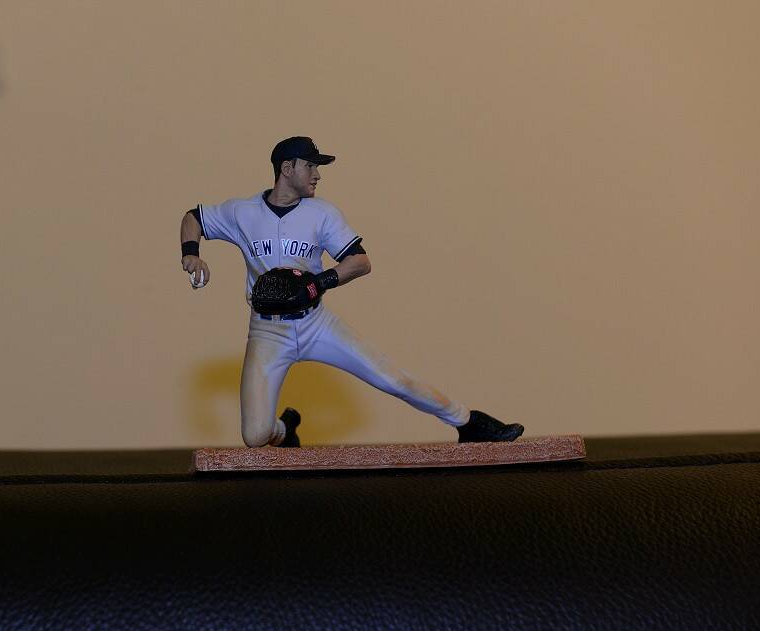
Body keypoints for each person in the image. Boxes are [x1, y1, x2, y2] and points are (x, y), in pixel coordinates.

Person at [179, 136, 524, 447]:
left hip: (316, 324)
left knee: (394, 379)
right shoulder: (243, 212)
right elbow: (193, 218)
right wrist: (191, 253)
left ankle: (469, 421)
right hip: (268, 331)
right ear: (287, 168)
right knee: (255, 436)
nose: (317, 175)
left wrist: (318, 282)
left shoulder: (322, 213)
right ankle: (284, 431)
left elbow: (360, 261)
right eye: (310, 166)